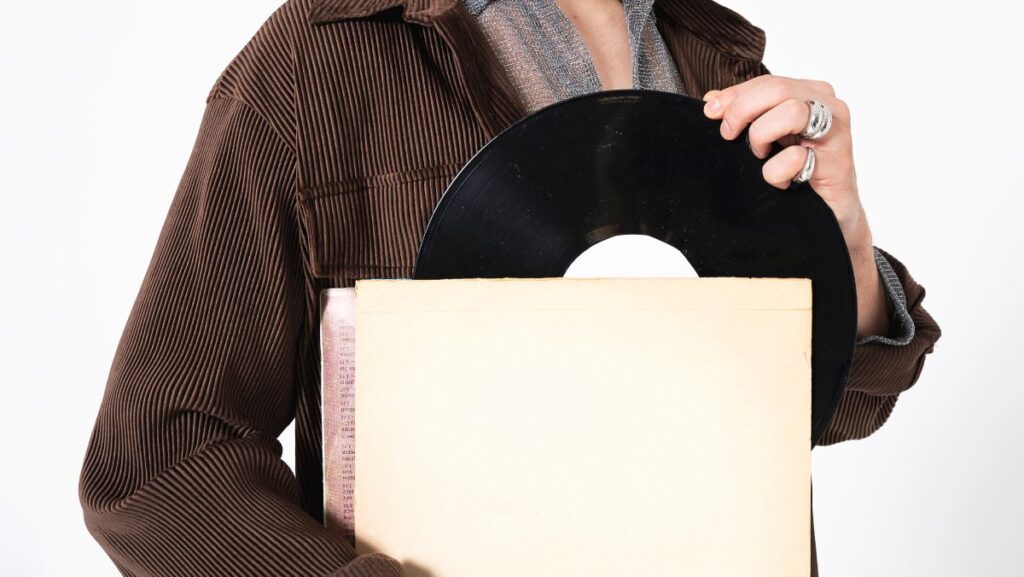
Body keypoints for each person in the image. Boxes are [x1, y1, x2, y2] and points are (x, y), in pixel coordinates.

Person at [78, 0, 942, 575]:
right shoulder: (317, 62)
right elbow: (156, 459)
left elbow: (819, 408)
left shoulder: (711, 53)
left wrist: (847, 248)